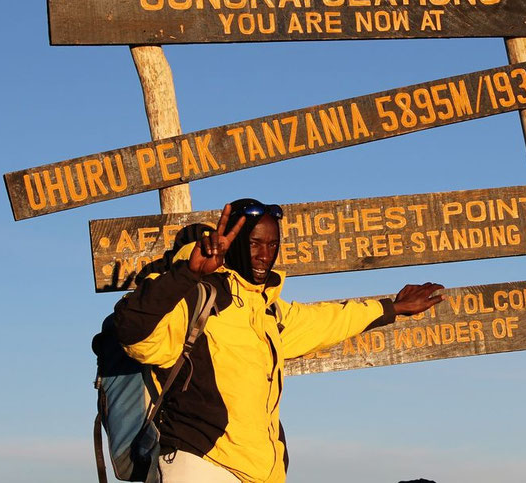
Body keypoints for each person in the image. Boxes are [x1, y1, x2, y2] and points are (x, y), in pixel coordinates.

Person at [114, 198, 444, 483]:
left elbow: (327, 320)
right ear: (235, 245)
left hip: (260, 473)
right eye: (255, 243)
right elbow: (133, 333)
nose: (264, 255)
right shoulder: (195, 298)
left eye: (272, 245)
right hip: (198, 464)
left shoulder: (267, 310)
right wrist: (188, 273)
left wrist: (393, 308)